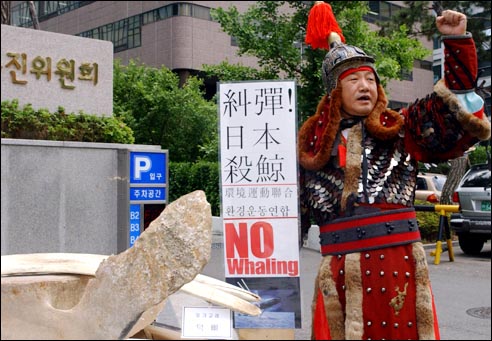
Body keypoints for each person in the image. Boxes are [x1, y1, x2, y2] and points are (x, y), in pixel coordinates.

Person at [298, 2, 491, 340]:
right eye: (353, 79)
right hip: (340, 273)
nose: (364, 86)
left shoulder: (404, 128)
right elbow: (284, 217)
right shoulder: (311, 146)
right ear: (334, 92)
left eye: (370, 79)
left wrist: (457, 42)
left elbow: (453, 108)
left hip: (399, 269)